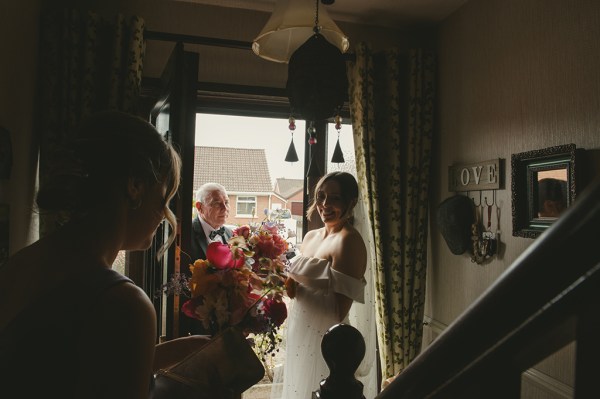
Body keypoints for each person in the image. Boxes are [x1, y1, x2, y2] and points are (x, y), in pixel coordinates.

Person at [0, 110, 210, 398]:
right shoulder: (124, 303)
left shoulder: (20, 265)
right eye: (164, 196)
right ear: (135, 186)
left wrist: (161, 355)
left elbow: (56, 367)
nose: (165, 215)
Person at [272, 171, 368, 399]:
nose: (325, 204)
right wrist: (287, 283)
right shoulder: (310, 237)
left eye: (335, 198)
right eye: (321, 196)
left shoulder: (349, 241)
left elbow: (339, 311)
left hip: (328, 344)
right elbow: (299, 288)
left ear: (351, 202)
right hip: (300, 331)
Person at [181, 182, 234, 336]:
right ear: (199, 207)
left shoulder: (230, 235)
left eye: (226, 202)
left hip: (226, 322)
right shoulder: (186, 236)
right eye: (217, 203)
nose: (225, 208)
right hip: (196, 324)